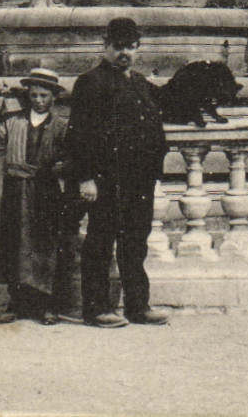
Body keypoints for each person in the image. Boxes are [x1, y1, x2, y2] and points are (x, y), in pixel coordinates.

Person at [63, 17, 170, 328]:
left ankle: (138, 306)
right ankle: (96, 309)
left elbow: (157, 121)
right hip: (106, 180)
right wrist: (85, 177)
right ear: (106, 46)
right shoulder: (90, 82)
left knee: (136, 243)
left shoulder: (140, 83)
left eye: (131, 47)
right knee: (99, 243)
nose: (126, 53)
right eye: (119, 46)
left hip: (139, 180)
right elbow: (78, 135)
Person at [0, 66, 76, 325]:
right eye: (34, 95)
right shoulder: (13, 121)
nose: (39, 101)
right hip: (15, 188)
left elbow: (71, 155)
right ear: (28, 96)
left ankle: (48, 304)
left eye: (44, 96)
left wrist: (61, 167)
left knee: (45, 244)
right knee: (14, 243)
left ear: (54, 97)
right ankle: (17, 302)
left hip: (46, 189)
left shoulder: (61, 125)